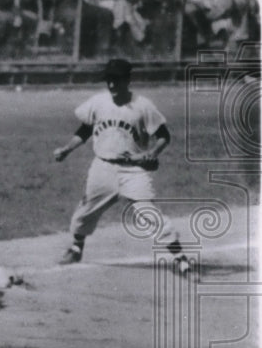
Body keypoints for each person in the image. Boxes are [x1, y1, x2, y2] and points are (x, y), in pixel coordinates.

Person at [52, 59, 190, 274]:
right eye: (109, 80)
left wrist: (151, 153)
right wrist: (67, 149)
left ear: (127, 80)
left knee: (148, 213)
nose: (112, 85)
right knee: (85, 211)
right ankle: (76, 248)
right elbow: (85, 130)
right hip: (102, 167)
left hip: (133, 170)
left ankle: (181, 258)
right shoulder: (98, 102)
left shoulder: (143, 106)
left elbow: (164, 136)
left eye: (116, 80)